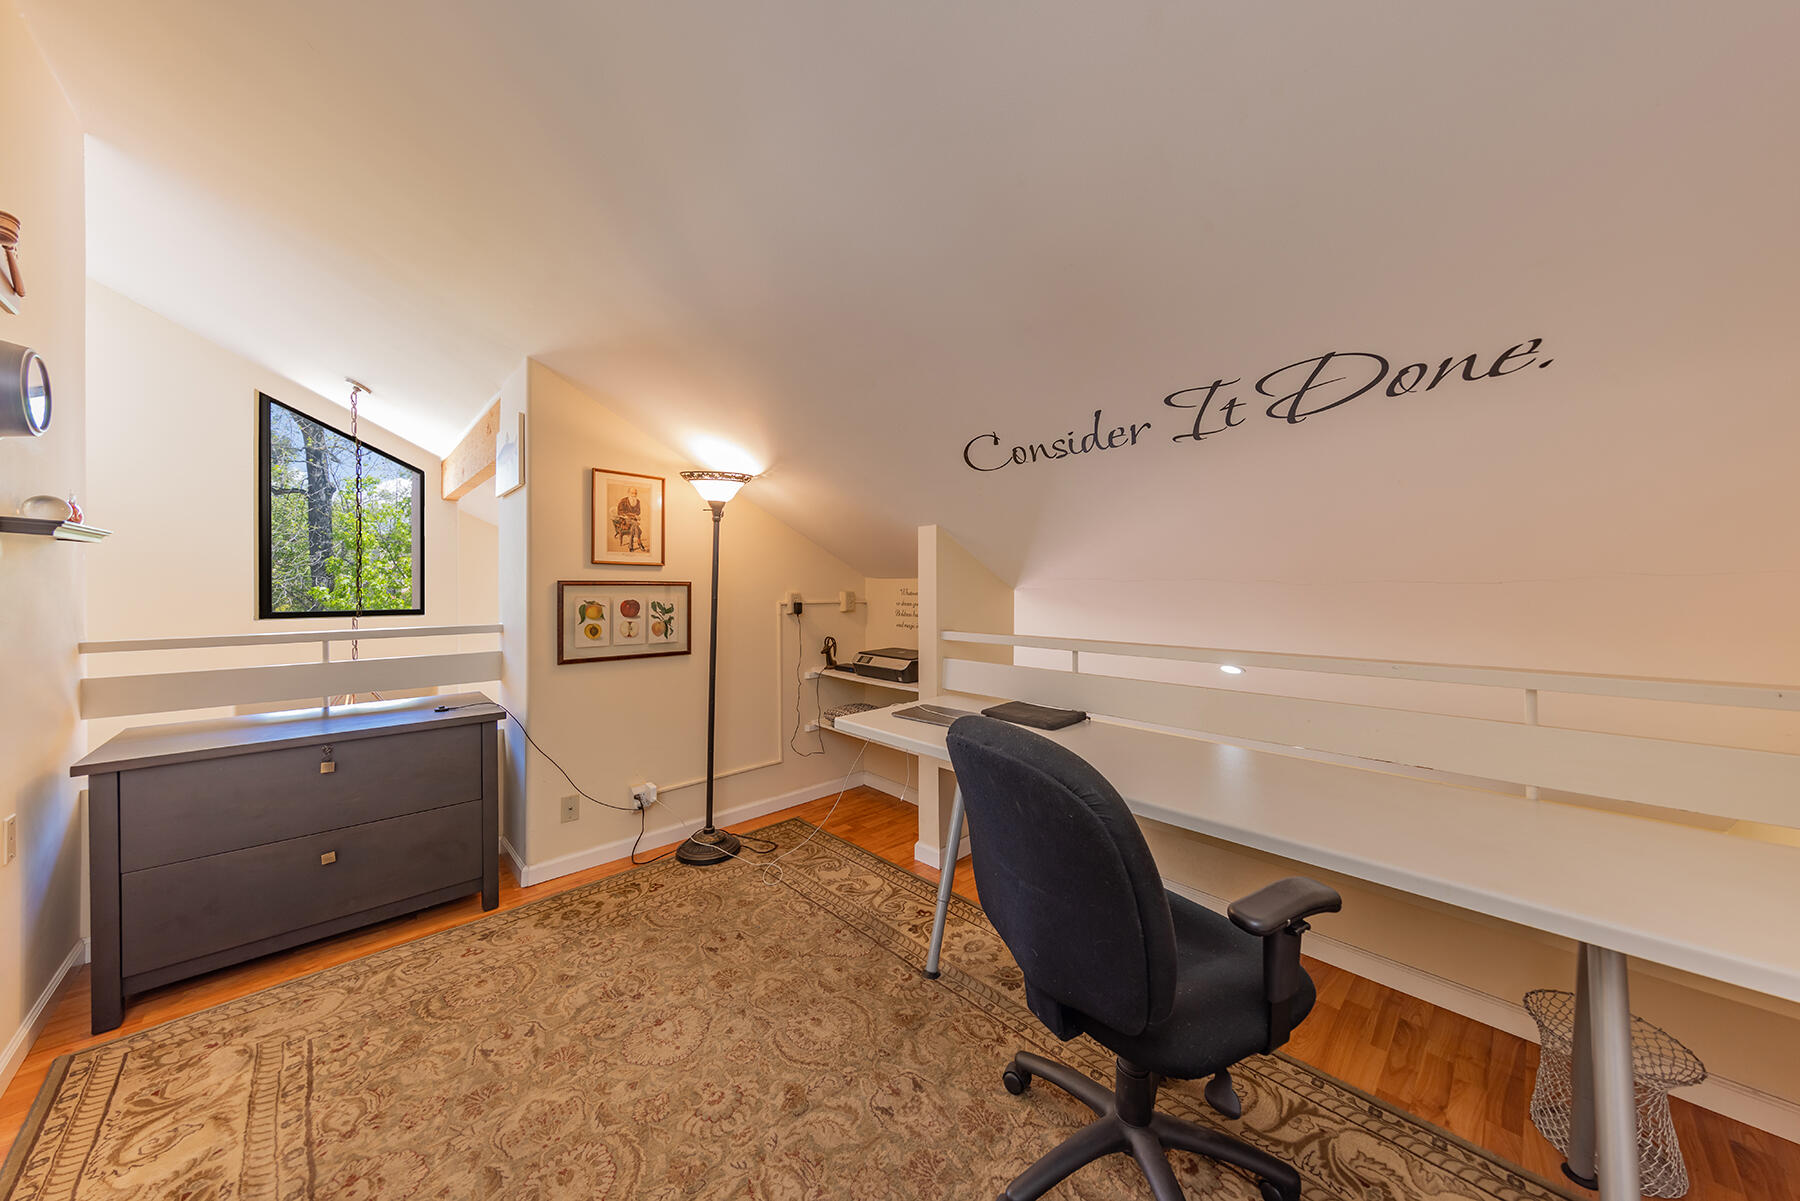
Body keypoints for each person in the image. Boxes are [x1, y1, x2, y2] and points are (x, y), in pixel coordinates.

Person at [613, 487, 646, 553]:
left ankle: (631, 546)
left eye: (635, 493)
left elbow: (638, 512)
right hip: (625, 521)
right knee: (636, 525)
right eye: (632, 493)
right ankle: (639, 542)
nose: (634, 494)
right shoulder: (623, 500)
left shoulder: (638, 501)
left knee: (633, 527)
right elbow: (620, 512)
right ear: (628, 493)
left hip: (633, 520)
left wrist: (635, 516)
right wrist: (631, 516)